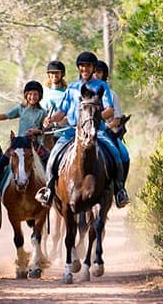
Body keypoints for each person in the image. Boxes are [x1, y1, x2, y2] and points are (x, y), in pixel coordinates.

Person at [35, 51, 129, 208]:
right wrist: (51, 119)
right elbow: (62, 111)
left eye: (88, 66)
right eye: (82, 66)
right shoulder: (72, 88)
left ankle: (120, 190)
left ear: (93, 68)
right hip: (72, 131)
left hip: (97, 131)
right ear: (79, 68)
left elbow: (110, 110)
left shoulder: (101, 86)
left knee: (120, 154)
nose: (85, 68)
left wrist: (94, 119)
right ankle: (49, 190)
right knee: (53, 157)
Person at [0, 81, 47, 205]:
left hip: (34, 145)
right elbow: (7, 115)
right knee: (0, 164)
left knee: (49, 160)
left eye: (35, 94)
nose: (32, 97)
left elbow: (44, 130)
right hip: (19, 144)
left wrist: (36, 131)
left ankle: (49, 190)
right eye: (30, 94)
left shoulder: (42, 112)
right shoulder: (21, 108)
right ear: (26, 95)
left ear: (40, 96)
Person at [93, 60, 130, 208]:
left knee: (123, 154)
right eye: (94, 72)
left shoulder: (112, 94)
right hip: (85, 131)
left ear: (104, 74)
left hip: (106, 132)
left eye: (99, 72)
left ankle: (120, 189)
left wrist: (106, 127)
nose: (96, 74)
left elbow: (117, 119)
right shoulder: (84, 91)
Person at [40, 60, 68, 145]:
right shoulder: (42, 91)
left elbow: (70, 113)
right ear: (48, 74)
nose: (54, 75)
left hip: (62, 134)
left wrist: (60, 121)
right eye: (52, 73)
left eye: (57, 73)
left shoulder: (67, 93)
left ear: (62, 74)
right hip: (43, 133)